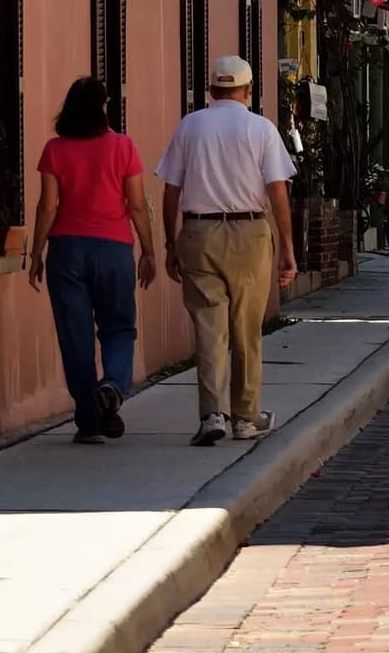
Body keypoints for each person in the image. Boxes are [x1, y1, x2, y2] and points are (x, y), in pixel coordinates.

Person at [157, 56, 298, 447]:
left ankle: (212, 413)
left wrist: (171, 242)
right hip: (250, 231)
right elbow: (277, 189)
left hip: (199, 232)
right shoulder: (261, 129)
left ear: (211, 90)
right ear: (248, 90)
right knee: (246, 330)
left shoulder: (190, 126)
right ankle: (246, 416)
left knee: (209, 329)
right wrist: (287, 245)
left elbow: (170, 189)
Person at [28, 77, 155, 444]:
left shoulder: (55, 150)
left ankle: (88, 420)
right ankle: (113, 384)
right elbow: (135, 203)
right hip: (113, 250)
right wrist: (148, 249)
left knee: (75, 337)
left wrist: (37, 252)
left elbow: (48, 206)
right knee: (118, 327)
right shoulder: (123, 146)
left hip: (66, 251)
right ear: (102, 107)